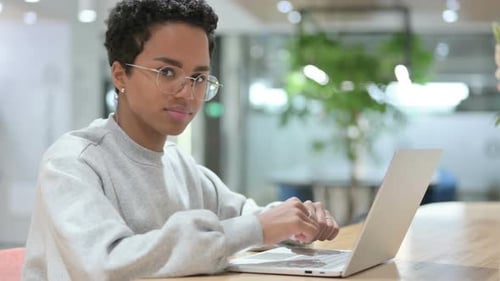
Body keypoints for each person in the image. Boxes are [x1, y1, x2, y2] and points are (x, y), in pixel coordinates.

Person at [22, 0, 339, 280]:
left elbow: (245, 215)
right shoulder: (73, 163)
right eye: (167, 72)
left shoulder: (180, 165)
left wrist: (296, 220)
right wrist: (260, 227)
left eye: (199, 78)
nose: (188, 93)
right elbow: (106, 263)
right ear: (120, 75)